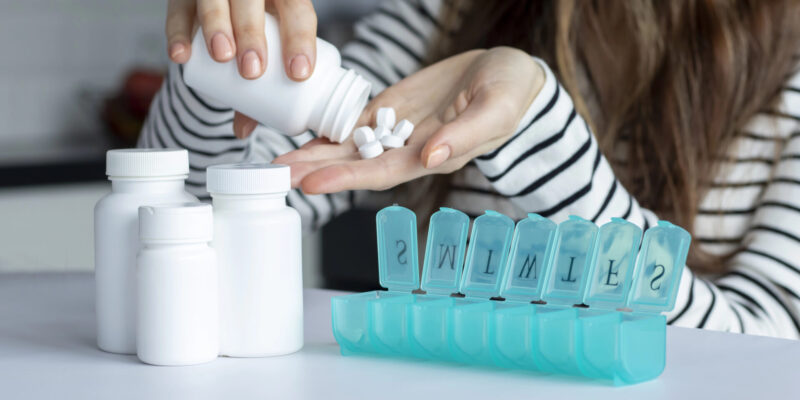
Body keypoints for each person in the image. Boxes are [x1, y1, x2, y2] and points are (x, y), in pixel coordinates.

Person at [144, 0, 800, 338]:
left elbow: (775, 352)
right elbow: (186, 240)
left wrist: (538, 126)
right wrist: (222, 72)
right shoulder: (450, 12)